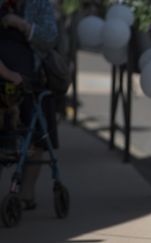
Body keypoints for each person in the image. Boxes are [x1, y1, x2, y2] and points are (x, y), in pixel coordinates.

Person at [0, 0, 58, 209]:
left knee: (36, 134)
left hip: (29, 75)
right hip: (3, 75)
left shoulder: (39, 4)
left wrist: (22, 24)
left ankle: (26, 194)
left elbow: (50, 38)